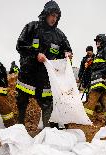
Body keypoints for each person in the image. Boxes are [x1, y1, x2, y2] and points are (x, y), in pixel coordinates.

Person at [16, 0, 72, 128]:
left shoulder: (59, 35)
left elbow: (67, 49)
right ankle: (20, 127)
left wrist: (68, 54)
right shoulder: (32, 27)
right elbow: (20, 45)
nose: (54, 19)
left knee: (47, 102)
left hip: (46, 77)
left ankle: (46, 131)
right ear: (46, 14)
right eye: (52, 15)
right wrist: (36, 54)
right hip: (28, 74)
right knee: (22, 100)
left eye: (56, 16)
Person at [84, 34, 106, 125]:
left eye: (99, 41)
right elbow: (97, 66)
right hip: (99, 80)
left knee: (92, 99)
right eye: (96, 41)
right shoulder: (99, 53)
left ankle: (85, 119)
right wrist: (91, 63)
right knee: (104, 99)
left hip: (100, 80)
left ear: (103, 42)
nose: (97, 43)